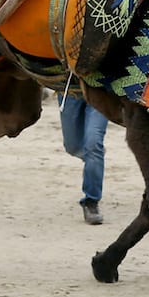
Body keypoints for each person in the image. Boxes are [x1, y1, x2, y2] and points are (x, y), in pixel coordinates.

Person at [57, 91, 108, 225]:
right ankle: (95, 158)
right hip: (69, 90)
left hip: (100, 88)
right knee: (72, 146)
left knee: (93, 144)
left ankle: (91, 202)